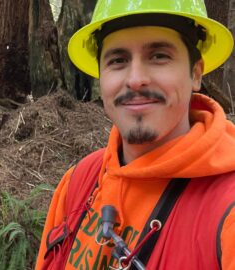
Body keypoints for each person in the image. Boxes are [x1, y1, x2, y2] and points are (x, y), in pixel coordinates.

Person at [35, 0, 235, 269]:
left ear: (195, 73)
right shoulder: (78, 182)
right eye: (118, 60)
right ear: (101, 78)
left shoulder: (227, 211)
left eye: (159, 56)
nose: (136, 79)